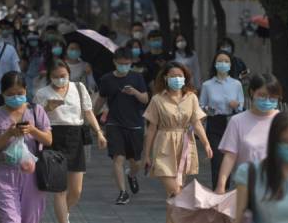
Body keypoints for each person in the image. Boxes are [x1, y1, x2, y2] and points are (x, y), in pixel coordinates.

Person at [33, 59, 107, 223]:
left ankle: (64, 212)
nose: (60, 79)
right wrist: (46, 109)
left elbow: (88, 112)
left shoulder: (79, 88)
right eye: (55, 76)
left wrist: (99, 133)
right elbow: (35, 120)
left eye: (63, 75)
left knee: (76, 190)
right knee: (60, 188)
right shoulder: (42, 93)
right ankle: (63, 220)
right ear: (49, 76)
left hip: (75, 137)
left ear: (69, 73)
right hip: (53, 137)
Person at [143, 62, 213, 223]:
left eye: (180, 76)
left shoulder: (191, 97)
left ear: (185, 78)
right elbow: (152, 128)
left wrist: (206, 144)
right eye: (173, 76)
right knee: (176, 193)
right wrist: (146, 154)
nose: (177, 79)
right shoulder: (157, 99)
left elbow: (196, 123)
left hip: (185, 146)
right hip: (164, 146)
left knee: (174, 197)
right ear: (166, 77)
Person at [0, 71, 52, 223]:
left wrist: (33, 130)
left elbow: (48, 140)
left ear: (26, 91)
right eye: (10, 94)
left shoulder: (36, 111)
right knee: (9, 219)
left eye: (20, 93)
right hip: (6, 174)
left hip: (33, 175)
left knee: (31, 219)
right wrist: (8, 134)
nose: (16, 97)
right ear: (2, 93)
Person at [94, 47, 148, 205]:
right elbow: (101, 100)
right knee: (118, 158)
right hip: (114, 123)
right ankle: (123, 192)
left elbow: (145, 99)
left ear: (131, 63)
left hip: (135, 124)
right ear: (114, 62)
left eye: (127, 64)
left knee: (136, 162)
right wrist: (92, 118)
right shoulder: (107, 79)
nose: (124, 66)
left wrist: (135, 93)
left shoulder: (137, 77)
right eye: (121, 63)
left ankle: (131, 175)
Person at [215, 73, 282, 194]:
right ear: (252, 93)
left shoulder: (283, 121)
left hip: (275, 189)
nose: (267, 100)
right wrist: (221, 186)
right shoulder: (237, 121)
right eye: (262, 95)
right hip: (245, 189)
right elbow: (230, 156)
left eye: (272, 97)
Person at [199, 50, 244, 190]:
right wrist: (208, 109)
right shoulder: (207, 85)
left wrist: (236, 105)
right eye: (220, 61)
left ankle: (225, 191)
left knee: (228, 159)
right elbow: (201, 106)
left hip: (230, 122)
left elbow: (241, 106)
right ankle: (216, 191)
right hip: (214, 123)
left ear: (231, 64)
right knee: (216, 159)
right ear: (215, 64)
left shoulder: (236, 84)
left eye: (226, 61)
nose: (223, 64)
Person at [24, 31, 42, 101]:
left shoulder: (43, 51)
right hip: (28, 77)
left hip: (40, 76)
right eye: (31, 40)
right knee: (29, 95)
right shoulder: (26, 51)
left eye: (34, 40)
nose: (33, 42)